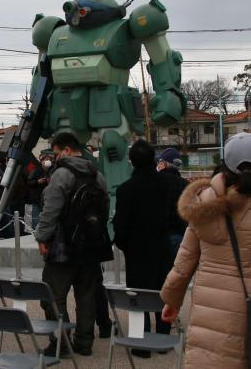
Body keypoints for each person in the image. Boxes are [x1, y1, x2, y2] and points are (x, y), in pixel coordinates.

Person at [160, 132, 251, 367]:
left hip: (207, 312)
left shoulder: (203, 203)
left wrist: (172, 300)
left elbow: (184, 261)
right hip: (250, 314)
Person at [34, 132, 112, 357]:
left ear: (66, 150)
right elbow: (105, 208)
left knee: (52, 295)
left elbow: (50, 211)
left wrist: (43, 238)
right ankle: (84, 342)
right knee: (86, 295)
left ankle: (61, 341)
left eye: (56, 152)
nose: (54, 157)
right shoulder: (97, 175)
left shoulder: (61, 175)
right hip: (91, 245)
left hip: (62, 245)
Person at [114, 139, 173, 358]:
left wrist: (124, 244)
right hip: (162, 245)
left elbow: (121, 225)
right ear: (153, 159)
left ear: (132, 161)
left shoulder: (126, 189)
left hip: (137, 250)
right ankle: (164, 339)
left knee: (139, 295)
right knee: (163, 291)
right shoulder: (166, 184)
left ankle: (141, 342)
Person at [156, 147, 189, 260]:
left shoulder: (155, 181)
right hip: (181, 237)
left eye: (159, 162)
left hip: (159, 237)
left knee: (161, 276)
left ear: (164, 164)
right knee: (180, 274)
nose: (158, 165)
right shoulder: (186, 185)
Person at [26, 153, 53, 230]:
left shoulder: (52, 171)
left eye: (49, 160)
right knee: (36, 218)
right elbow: (29, 181)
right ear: (41, 161)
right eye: (46, 159)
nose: (48, 161)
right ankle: (36, 231)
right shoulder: (36, 171)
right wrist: (37, 182)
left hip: (48, 198)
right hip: (36, 197)